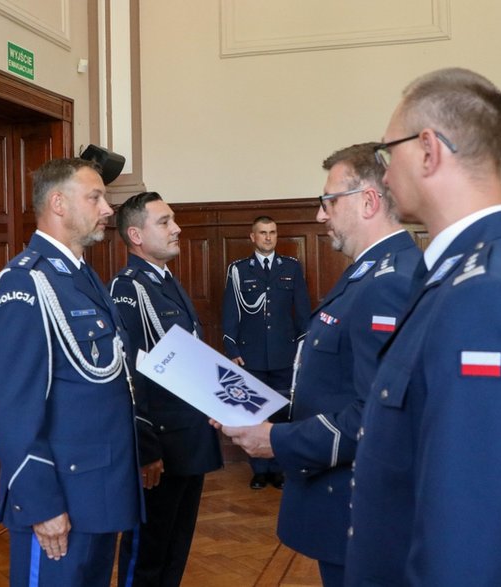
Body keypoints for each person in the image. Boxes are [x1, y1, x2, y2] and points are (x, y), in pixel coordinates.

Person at [345, 68, 501, 585]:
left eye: (387, 153)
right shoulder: (465, 274)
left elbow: (468, 537)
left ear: (428, 150)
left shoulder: (485, 295)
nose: (382, 174)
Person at [214, 143, 420, 587]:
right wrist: (251, 409)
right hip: (347, 507)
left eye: (328, 202)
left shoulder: (389, 283)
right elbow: (335, 385)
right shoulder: (369, 273)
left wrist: (277, 440)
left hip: (361, 510)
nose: (320, 216)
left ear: (368, 201)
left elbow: (375, 416)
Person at [0, 158, 141, 586]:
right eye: (96, 197)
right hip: (59, 499)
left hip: (100, 491)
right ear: (58, 204)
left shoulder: (83, 277)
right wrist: (41, 504)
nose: (108, 209)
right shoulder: (24, 284)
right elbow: (10, 410)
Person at [110, 191, 223, 587]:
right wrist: (146, 448)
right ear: (136, 235)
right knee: (148, 553)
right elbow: (131, 374)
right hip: (161, 445)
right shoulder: (129, 288)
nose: (177, 228)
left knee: (175, 549)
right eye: (165, 222)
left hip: (189, 437)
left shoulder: (165, 282)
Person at [222, 216, 310, 489]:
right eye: (263, 233)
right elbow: (230, 312)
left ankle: (280, 468)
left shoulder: (292, 268)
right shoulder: (238, 270)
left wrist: (302, 349)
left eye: (272, 232)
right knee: (254, 412)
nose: (268, 237)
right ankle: (260, 470)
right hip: (252, 354)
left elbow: (303, 313)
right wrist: (232, 347)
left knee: (284, 413)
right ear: (253, 237)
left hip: (285, 353)